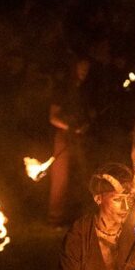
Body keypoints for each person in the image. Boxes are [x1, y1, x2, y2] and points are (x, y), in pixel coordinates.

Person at [48, 56, 94, 226]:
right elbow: (52, 117)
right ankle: (55, 218)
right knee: (61, 178)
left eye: (86, 70)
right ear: (73, 68)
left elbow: (85, 114)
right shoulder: (62, 88)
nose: (83, 72)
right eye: (81, 68)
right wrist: (70, 128)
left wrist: (85, 124)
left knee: (82, 175)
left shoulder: (83, 90)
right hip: (63, 138)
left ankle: (81, 216)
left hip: (80, 139)